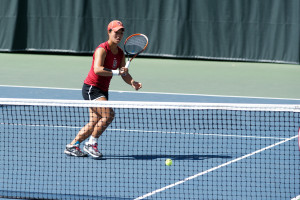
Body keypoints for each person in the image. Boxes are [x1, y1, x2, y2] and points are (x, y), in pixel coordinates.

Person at [64, 20, 142, 158]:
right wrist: (117, 71)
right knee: (109, 115)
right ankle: (91, 144)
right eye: (116, 32)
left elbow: (124, 73)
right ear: (109, 32)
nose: (119, 35)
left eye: (121, 32)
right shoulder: (102, 49)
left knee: (95, 122)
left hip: (103, 90)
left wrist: (132, 82)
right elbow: (98, 69)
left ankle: (72, 146)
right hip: (92, 89)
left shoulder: (120, 53)